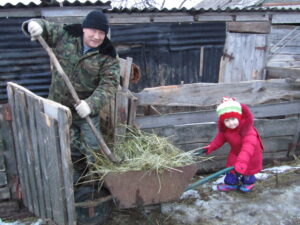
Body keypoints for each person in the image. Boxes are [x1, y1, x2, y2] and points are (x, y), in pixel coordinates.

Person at [22, 11, 120, 171]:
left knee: (94, 149)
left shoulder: (108, 55)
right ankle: (69, 177)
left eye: (101, 32)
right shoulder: (66, 35)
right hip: (57, 107)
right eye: (93, 31)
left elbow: (109, 85)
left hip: (85, 110)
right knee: (62, 146)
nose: (96, 36)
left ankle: (95, 183)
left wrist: (90, 104)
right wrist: (33, 25)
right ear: (84, 28)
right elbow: (46, 27)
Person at [203, 97, 263, 192]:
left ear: (238, 116)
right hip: (236, 152)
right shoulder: (226, 130)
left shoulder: (247, 130)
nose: (231, 123)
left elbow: (248, 146)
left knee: (247, 169)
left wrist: (242, 161)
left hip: (251, 154)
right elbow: (219, 139)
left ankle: (247, 183)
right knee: (231, 167)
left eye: (233, 119)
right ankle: (231, 184)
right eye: (226, 121)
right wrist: (211, 147)